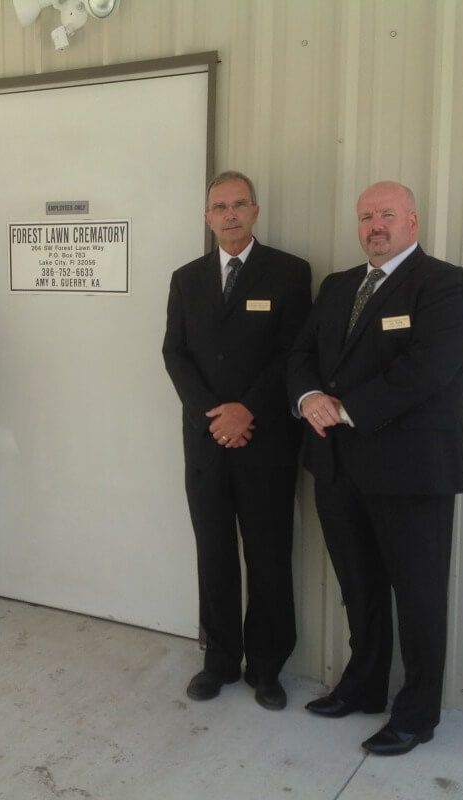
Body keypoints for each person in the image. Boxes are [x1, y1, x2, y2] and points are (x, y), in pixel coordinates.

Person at [287, 181, 463, 755]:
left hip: (411, 472)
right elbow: (300, 355)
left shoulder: (446, 285)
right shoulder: (339, 285)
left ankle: (417, 714)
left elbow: (428, 370)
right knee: (359, 586)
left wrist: (343, 408)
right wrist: (306, 399)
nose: (375, 225)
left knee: (418, 595)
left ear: (413, 221)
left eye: (387, 215)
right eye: (366, 216)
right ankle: (364, 686)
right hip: (338, 467)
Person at [163, 170, 312, 710]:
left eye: (239, 205)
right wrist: (213, 415)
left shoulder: (290, 273)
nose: (229, 214)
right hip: (206, 443)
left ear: (256, 210)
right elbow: (174, 354)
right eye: (219, 207)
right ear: (208, 218)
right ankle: (219, 659)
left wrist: (248, 409)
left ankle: (267, 667)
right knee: (215, 552)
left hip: (266, 441)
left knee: (269, 554)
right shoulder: (186, 278)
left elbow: (293, 354)